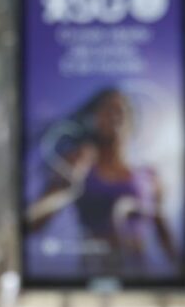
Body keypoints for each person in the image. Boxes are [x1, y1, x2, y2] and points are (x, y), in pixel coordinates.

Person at [25, 87, 177, 277]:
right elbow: (34, 222)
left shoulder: (147, 174)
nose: (114, 118)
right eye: (107, 111)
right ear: (93, 120)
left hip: (137, 271)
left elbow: (163, 231)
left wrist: (183, 273)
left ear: (132, 120)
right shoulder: (78, 164)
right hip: (94, 269)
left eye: (121, 111)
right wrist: (68, 184)